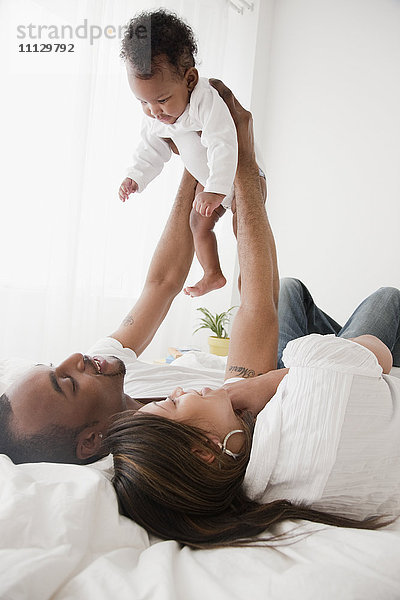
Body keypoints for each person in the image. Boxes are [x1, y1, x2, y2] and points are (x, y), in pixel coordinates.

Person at [1, 79, 399, 468]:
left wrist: (197, 152)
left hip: (271, 367)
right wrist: (241, 157)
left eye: (55, 363)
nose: (75, 357)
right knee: (387, 300)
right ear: (91, 441)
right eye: (66, 381)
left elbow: (161, 283)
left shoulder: (107, 376)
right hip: (297, 391)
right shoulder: (188, 428)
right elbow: (255, 306)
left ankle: (342, 348)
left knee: (291, 291)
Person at [106, 80, 400, 549]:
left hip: (313, 374)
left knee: (288, 292)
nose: (178, 388)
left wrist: (193, 145)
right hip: (358, 367)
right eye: (176, 402)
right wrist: (234, 141)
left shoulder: (231, 451)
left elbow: (242, 299)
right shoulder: (310, 419)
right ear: (207, 452)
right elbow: (362, 354)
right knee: (387, 301)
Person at [118, 9, 239, 297]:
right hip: (207, 183)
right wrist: (135, 177)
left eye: (161, 99)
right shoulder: (156, 119)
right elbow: (150, 148)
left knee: (243, 228)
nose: (154, 111)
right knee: (197, 224)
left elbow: (224, 142)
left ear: (190, 79)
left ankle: (247, 276)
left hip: (236, 177)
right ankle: (213, 274)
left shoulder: (204, 101)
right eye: (143, 102)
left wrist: (217, 188)